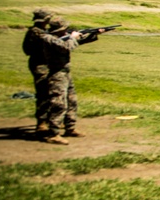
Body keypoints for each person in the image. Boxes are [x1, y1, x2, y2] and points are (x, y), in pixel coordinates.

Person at [38, 16, 101, 145]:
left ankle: (70, 128)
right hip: (57, 74)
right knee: (59, 104)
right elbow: (66, 47)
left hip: (66, 73)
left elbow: (76, 42)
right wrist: (73, 37)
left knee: (72, 101)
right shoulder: (48, 38)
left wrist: (93, 34)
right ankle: (53, 133)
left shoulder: (63, 38)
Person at [22, 8, 53, 133]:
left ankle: (52, 120)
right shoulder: (36, 32)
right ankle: (41, 122)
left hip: (47, 64)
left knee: (53, 92)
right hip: (40, 65)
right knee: (43, 93)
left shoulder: (42, 31)